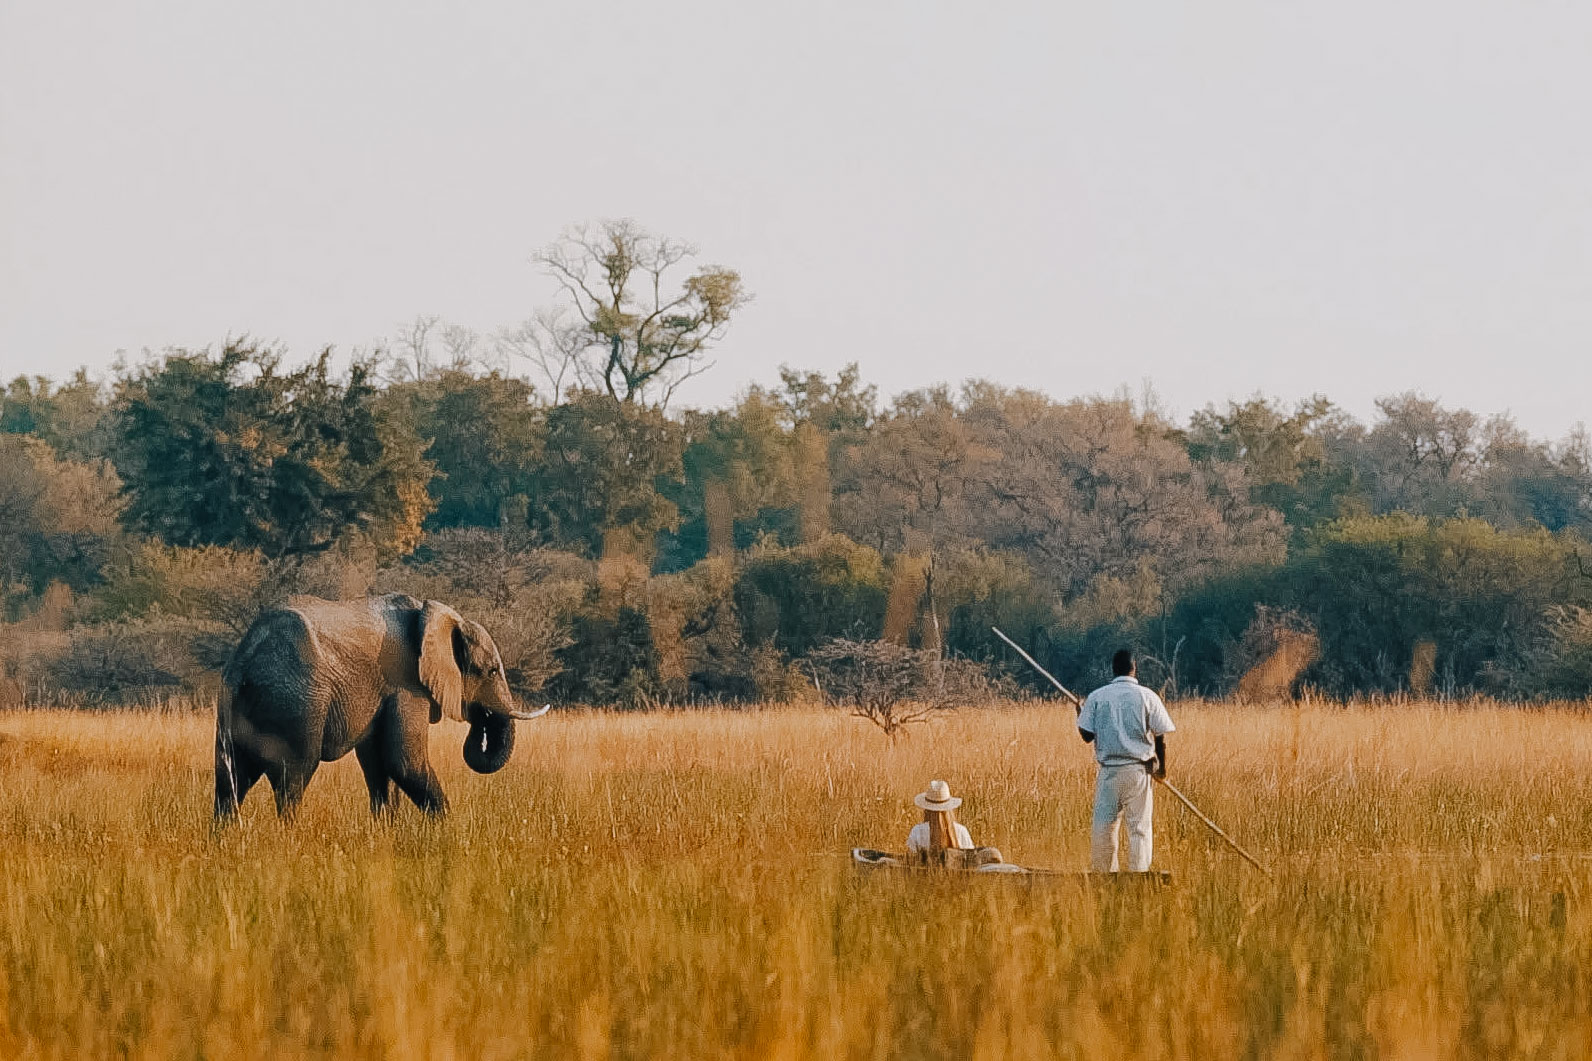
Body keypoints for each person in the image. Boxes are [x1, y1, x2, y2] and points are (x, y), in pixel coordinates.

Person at [1076, 648, 1175, 873]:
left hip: (1109, 772)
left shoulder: (1097, 697)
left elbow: (1087, 736)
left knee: (1104, 827)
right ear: (1134, 668)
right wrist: (1162, 770)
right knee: (1139, 828)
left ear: (1113, 669)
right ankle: (1138, 876)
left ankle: (1104, 875)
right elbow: (1160, 737)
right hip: (1138, 771)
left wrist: (1080, 714)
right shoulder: (1148, 696)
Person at [906, 780, 1003, 867]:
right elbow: (972, 862)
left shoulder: (917, 831)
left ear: (926, 809)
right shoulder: (961, 831)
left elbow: (910, 862)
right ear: (949, 808)